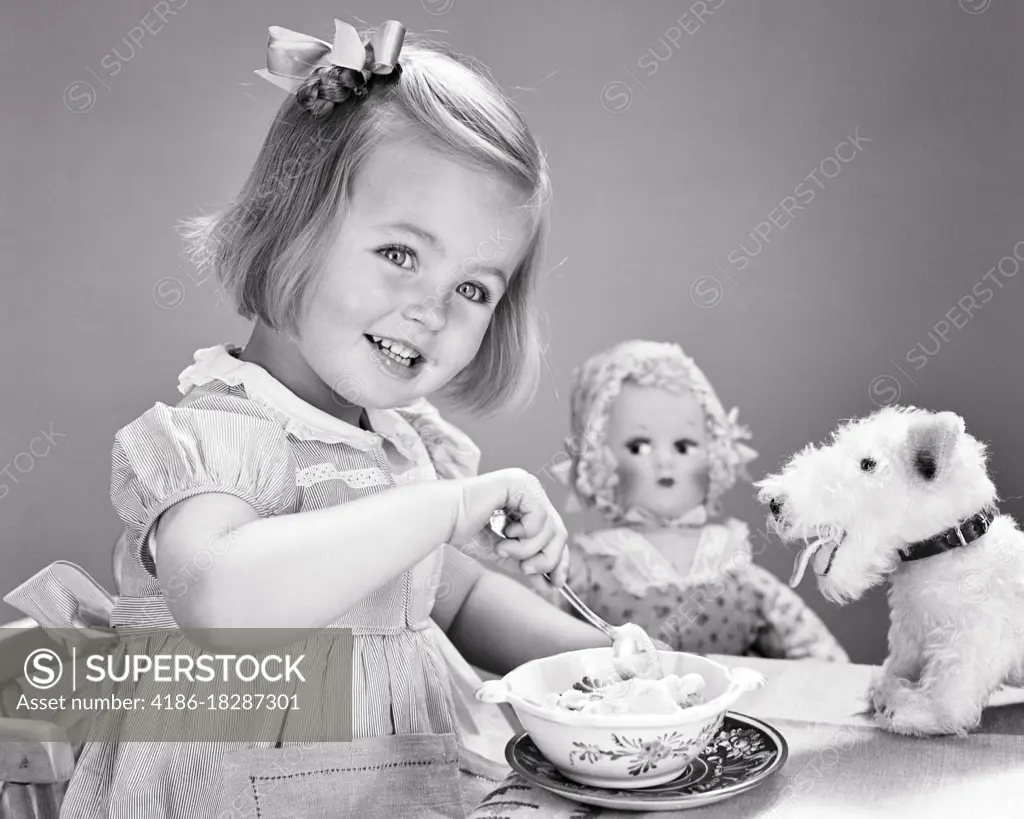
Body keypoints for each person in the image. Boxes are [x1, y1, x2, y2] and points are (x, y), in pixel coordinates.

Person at [4, 20, 609, 819]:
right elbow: (221, 599)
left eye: (474, 288)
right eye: (400, 253)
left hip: (385, 789)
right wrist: (446, 507)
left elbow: (452, 600)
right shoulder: (221, 432)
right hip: (229, 796)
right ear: (292, 224)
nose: (430, 308)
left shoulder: (400, 444)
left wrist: (603, 661)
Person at [550, 340, 849, 662]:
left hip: (730, 711)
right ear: (599, 459)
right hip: (615, 709)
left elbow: (814, 649)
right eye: (638, 447)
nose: (665, 462)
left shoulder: (731, 562)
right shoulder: (584, 569)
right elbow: (535, 639)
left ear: (715, 451)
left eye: (683, 446)